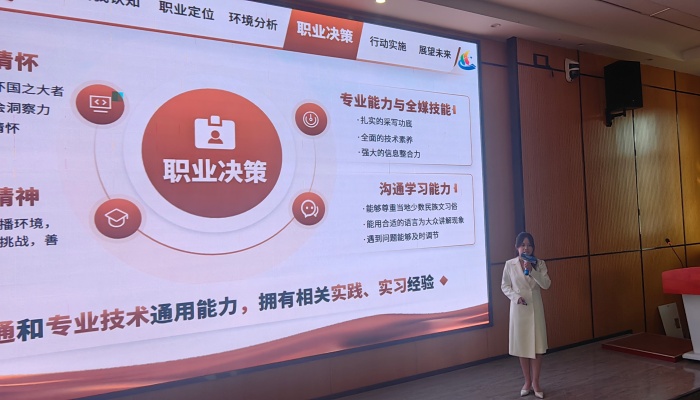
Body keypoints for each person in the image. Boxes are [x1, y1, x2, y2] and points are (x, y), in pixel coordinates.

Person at [501, 232, 551, 399]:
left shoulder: (539, 263)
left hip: (535, 309)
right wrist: (515, 297)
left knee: (537, 347)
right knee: (523, 347)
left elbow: (546, 284)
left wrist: (532, 271)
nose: (526, 248)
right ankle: (527, 382)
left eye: (529, 245)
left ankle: (536, 383)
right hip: (519, 309)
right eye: (522, 245)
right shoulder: (510, 264)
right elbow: (505, 286)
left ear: (533, 247)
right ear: (517, 247)